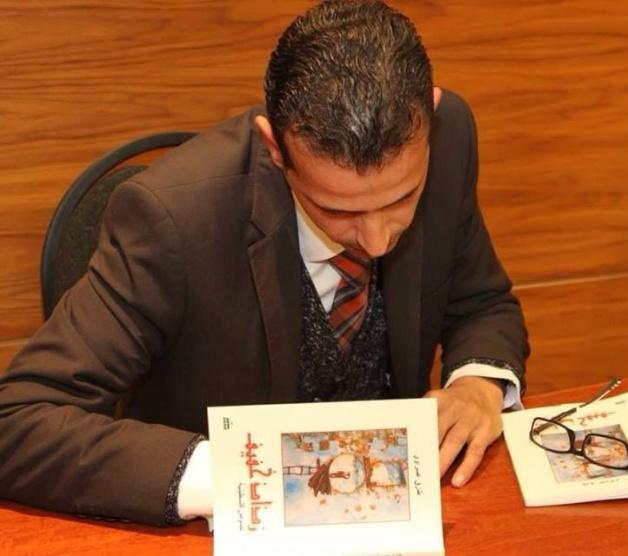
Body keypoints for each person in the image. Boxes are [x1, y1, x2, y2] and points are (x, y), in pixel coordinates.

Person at [0, 0, 528, 526]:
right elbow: (17, 421)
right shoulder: (172, 221)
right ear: (276, 148)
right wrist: (234, 478)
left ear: (430, 117)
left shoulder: (450, 135)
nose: (377, 240)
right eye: (336, 209)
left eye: (401, 198)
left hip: (397, 508)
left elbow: (480, 303)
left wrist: (478, 384)